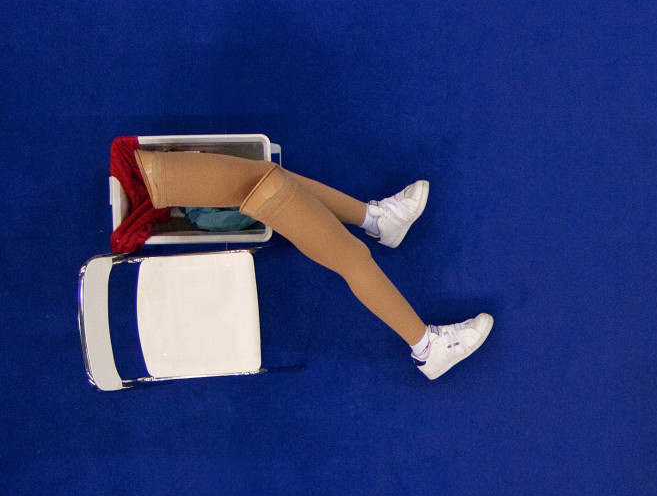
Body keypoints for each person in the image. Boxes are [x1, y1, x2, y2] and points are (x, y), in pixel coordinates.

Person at [113, 139, 493, 380]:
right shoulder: (139, 174)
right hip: (154, 179)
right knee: (348, 254)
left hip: (153, 177)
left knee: (270, 177)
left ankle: (378, 220)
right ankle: (427, 347)